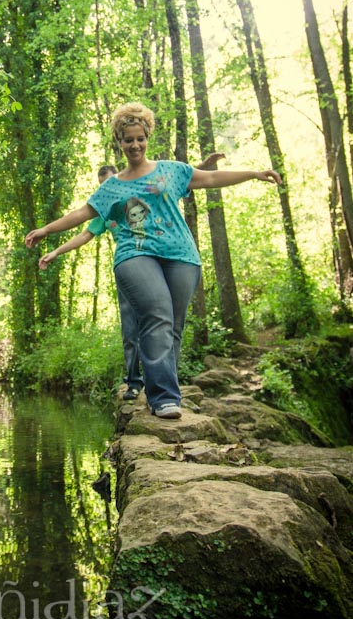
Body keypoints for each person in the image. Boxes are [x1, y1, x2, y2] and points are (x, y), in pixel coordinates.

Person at [25, 101, 281, 420]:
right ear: (118, 142)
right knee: (157, 313)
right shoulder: (113, 186)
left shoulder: (171, 171)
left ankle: (158, 390)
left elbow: (211, 179)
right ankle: (163, 397)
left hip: (181, 255)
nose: (134, 145)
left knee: (172, 326)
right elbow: (82, 214)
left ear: (147, 138)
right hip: (136, 254)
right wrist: (45, 231)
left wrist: (255, 173)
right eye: (127, 139)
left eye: (139, 138)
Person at [39, 164, 144, 399]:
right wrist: (56, 252)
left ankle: (162, 379)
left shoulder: (138, 194)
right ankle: (134, 382)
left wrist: (201, 168)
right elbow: (84, 235)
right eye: (102, 188)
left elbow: (164, 180)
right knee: (130, 327)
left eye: (109, 184)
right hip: (127, 266)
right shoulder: (105, 211)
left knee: (156, 323)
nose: (106, 191)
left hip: (152, 260)